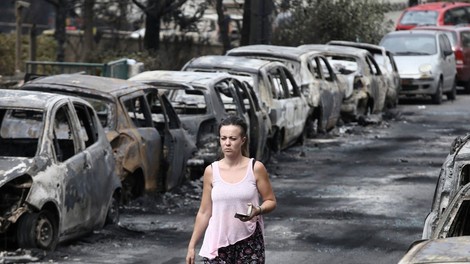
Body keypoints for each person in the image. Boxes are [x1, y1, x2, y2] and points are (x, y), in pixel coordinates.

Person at [186, 115, 277, 264]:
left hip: (249, 240)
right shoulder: (211, 171)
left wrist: (258, 210)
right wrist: (191, 246)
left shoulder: (255, 168)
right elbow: (204, 211)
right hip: (217, 242)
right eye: (223, 138)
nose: (227, 143)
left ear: (243, 140)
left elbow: (271, 201)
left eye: (233, 139)